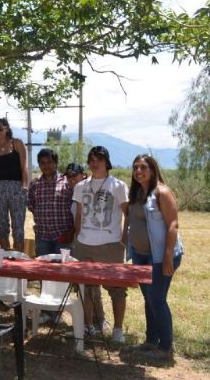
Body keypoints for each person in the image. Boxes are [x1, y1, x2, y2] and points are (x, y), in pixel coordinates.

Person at [126, 154, 185, 360]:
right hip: (140, 255)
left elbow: (173, 225)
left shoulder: (162, 192)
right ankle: (151, 341)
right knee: (148, 298)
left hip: (161, 257)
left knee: (157, 299)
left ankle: (166, 347)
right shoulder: (137, 192)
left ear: (153, 169)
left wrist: (168, 256)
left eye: (143, 167)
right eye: (135, 168)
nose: (138, 171)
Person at [72, 146, 129, 342]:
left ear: (107, 162)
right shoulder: (80, 186)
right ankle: (88, 326)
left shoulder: (118, 185)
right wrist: (77, 237)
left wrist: (123, 240)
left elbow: (127, 213)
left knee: (116, 289)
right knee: (86, 288)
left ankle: (118, 330)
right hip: (84, 244)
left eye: (99, 159)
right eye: (91, 159)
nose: (94, 162)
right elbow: (79, 214)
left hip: (110, 244)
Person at [0, 118, 28, 251]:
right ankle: (5, 261)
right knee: (2, 227)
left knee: (18, 227)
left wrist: (25, 186)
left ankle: (18, 263)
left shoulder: (17, 143)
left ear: (7, 128)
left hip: (16, 188)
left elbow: (24, 167)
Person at [27, 149, 73, 256]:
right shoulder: (34, 184)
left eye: (49, 162)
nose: (46, 166)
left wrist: (70, 233)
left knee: (63, 270)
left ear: (55, 164)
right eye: (42, 163)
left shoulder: (67, 182)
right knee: (43, 269)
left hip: (63, 237)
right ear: (39, 165)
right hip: (42, 237)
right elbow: (32, 206)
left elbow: (74, 208)